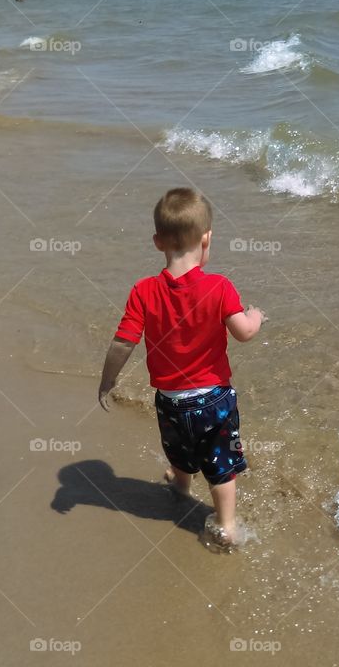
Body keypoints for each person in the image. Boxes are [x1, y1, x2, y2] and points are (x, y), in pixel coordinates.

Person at [97, 188, 266, 550]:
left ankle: (180, 485)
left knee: (179, 450)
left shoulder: (143, 291)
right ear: (207, 239)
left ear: (158, 242)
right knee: (221, 466)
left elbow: (123, 342)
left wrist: (108, 380)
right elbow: (244, 333)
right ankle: (226, 525)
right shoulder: (219, 286)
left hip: (170, 401)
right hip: (213, 399)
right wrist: (255, 316)